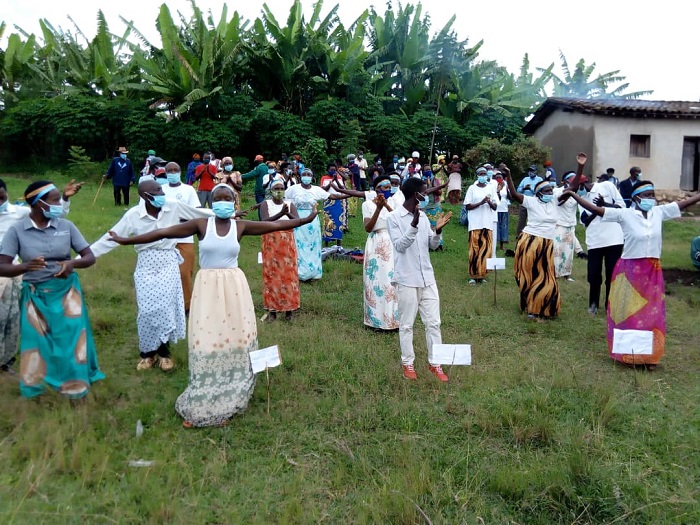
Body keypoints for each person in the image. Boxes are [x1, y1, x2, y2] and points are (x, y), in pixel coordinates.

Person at [108, 183, 318, 427]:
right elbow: (164, 233)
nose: (222, 201)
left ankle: (233, 381)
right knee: (207, 336)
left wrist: (306, 219)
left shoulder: (240, 226)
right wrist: (126, 240)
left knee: (235, 334)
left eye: (227, 198)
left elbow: (276, 225)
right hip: (207, 286)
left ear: (234, 202)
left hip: (233, 286)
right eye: (217, 198)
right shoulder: (200, 225)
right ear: (210, 204)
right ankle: (206, 386)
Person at [566, 181, 700, 368]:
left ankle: (648, 356)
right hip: (630, 270)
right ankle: (628, 355)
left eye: (652, 195)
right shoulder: (625, 214)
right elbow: (597, 210)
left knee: (651, 314)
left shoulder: (659, 213)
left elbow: (683, 204)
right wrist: (575, 196)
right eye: (647, 195)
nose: (650, 199)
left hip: (652, 271)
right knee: (629, 313)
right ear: (636, 197)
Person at [91, 180, 214, 371]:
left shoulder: (172, 206)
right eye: (156, 190)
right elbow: (111, 237)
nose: (161, 192)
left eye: (160, 189)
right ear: (145, 196)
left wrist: (229, 214)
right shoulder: (133, 215)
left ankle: (165, 354)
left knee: (164, 307)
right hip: (146, 264)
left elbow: (199, 214)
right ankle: (148, 354)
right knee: (146, 310)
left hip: (168, 261)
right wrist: (88, 254)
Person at [0, 180, 104, 398]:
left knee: (72, 339)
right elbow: (3, 266)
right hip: (35, 295)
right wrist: (25, 266)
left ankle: (75, 387)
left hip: (68, 292)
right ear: (39, 204)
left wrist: (71, 264)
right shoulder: (17, 231)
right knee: (37, 343)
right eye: (55, 199)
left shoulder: (66, 226)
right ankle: (38, 389)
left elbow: (89, 257)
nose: (59, 204)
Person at [0, 178, 81, 373]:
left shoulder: (18, 213)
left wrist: (64, 198)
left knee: (11, 317)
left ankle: (6, 362)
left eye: (1, 197)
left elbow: (52, 215)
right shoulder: (17, 227)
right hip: (10, 268)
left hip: (13, 272)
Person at [504, 154, 586, 319]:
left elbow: (573, 187)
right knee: (529, 275)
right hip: (530, 242)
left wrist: (580, 167)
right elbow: (513, 194)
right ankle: (531, 308)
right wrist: (509, 176)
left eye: (550, 190)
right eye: (546, 191)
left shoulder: (555, 200)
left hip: (547, 244)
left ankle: (546, 307)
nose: (550, 192)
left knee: (547, 276)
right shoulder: (530, 201)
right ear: (539, 193)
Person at [387, 177, 453, 382]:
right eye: (424, 192)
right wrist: (413, 225)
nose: (427, 195)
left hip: (427, 277)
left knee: (434, 323)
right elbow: (399, 246)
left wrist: (438, 232)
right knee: (407, 325)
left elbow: (431, 245)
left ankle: (436, 364)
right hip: (407, 279)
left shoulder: (423, 217)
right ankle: (408, 363)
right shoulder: (394, 217)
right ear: (416, 194)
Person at [285, 169, 346, 281]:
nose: (306, 176)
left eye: (309, 175)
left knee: (313, 244)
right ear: (300, 176)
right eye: (304, 174)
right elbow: (284, 200)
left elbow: (332, 196)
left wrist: (346, 195)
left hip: (313, 220)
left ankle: (314, 272)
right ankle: (300, 272)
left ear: (312, 177)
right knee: (299, 244)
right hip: (297, 217)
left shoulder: (317, 190)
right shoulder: (293, 189)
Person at [580, 176, 625, 314]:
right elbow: (585, 221)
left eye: (580, 187)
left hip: (614, 238)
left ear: (586, 182)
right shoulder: (580, 198)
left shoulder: (607, 186)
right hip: (595, 240)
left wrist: (604, 204)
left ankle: (609, 305)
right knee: (594, 275)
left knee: (612, 274)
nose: (580, 190)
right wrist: (596, 209)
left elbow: (621, 208)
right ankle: (593, 304)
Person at [162, 162, 201, 315]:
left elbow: (196, 211)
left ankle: (186, 306)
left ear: (180, 172)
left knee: (185, 273)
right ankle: (167, 305)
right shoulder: (161, 190)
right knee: (165, 273)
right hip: (164, 237)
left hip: (185, 237)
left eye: (175, 170)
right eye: (169, 170)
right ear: (165, 173)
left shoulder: (188, 190)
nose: (172, 172)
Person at [259, 180, 301, 321]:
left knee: (289, 276)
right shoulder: (266, 204)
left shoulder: (289, 204)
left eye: (282, 188)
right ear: (271, 190)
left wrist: (287, 213)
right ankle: (272, 311)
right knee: (272, 276)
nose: (279, 190)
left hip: (287, 243)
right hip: (271, 242)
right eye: (276, 188)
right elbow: (264, 221)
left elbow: (297, 221)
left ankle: (289, 310)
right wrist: (280, 213)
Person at [362, 175, 399, 331]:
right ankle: (375, 320)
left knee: (391, 281)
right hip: (376, 242)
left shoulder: (395, 202)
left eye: (389, 186)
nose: (388, 189)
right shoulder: (367, 205)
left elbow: (398, 222)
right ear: (376, 189)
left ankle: (393, 320)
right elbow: (368, 227)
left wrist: (387, 206)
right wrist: (378, 208)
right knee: (376, 280)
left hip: (392, 242)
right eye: (384, 187)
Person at [464, 168, 498, 284]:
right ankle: (473, 275)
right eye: (481, 174)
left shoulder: (491, 188)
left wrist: (488, 202)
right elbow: (467, 206)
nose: (483, 176)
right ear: (477, 175)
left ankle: (482, 274)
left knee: (485, 250)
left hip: (487, 223)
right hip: (475, 223)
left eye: (484, 174)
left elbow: (495, 207)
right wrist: (481, 202)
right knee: (474, 250)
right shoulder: (472, 188)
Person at [552, 172, 585, 282]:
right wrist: (570, 192)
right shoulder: (557, 191)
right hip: (559, 224)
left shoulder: (578, 193)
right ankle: (555, 273)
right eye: (572, 179)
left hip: (571, 224)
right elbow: (560, 202)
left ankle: (566, 274)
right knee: (557, 250)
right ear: (566, 180)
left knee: (568, 251)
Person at [320, 164, 350, 247]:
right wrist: (331, 181)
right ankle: (326, 242)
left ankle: (338, 242)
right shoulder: (324, 178)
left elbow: (342, 189)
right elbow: (323, 190)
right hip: (328, 202)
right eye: (331, 170)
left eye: (334, 170)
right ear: (328, 170)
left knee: (338, 221)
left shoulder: (339, 178)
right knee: (327, 221)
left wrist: (336, 180)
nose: (333, 171)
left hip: (338, 201)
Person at [516, 165, 543, 235]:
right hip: (524, 202)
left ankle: (533, 234)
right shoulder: (525, 179)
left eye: (532, 171)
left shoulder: (539, 180)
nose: (530, 172)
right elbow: (518, 190)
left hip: (534, 202)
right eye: (529, 171)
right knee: (522, 219)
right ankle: (519, 234)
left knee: (534, 219)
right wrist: (523, 189)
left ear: (536, 171)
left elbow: (540, 191)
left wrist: (531, 189)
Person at [494, 171, 510, 251]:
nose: (499, 179)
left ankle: (502, 244)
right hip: (495, 209)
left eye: (500, 178)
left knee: (503, 226)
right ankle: (494, 243)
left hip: (504, 208)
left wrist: (506, 189)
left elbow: (510, 197)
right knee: (495, 226)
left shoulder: (506, 184)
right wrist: (497, 190)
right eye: (497, 178)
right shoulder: (492, 185)